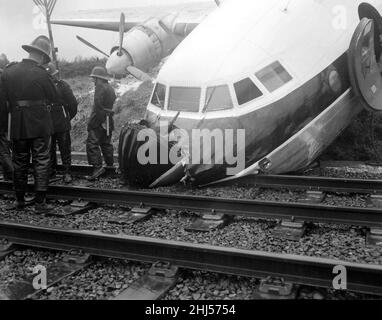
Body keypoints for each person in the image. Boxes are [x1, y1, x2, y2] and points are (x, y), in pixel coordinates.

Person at [1, 35, 57, 213]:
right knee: (41, 160)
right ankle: (40, 203)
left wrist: (4, 126)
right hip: (40, 123)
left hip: (18, 123)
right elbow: (55, 97)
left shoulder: (8, 72)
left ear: (30, 51)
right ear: (41, 56)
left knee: (20, 161)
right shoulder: (42, 73)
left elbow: (3, 103)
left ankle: (19, 201)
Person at [45, 62, 78, 184]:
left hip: (62, 123)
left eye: (53, 75)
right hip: (48, 124)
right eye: (50, 75)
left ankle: (67, 172)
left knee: (65, 149)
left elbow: (73, 104)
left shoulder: (63, 85)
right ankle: (51, 171)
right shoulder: (43, 87)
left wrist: (67, 117)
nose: (52, 77)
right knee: (50, 149)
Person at [86, 66, 116, 181]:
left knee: (92, 144)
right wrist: (106, 120)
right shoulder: (110, 88)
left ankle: (97, 168)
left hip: (99, 120)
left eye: (94, 78)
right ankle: (110, 168)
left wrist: (98, 121)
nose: (93, 80)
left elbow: (98, 105)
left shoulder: (99, 87)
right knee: (106, 144)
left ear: (98, 78)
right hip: (109, 119)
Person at [0, 68, 13, 181]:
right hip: (5, 121)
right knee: (5, 149)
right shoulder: (5, 81)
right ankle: (7, 175)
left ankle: (13, 173)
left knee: (3, 151)